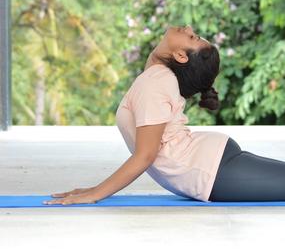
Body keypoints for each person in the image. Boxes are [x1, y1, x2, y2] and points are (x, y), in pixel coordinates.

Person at [43, 25, 285, 205]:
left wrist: (95, 194)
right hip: (214, 165)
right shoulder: (156, 77)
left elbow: (145, 155)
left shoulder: (156, 81)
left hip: (213, 169)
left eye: (192, 37)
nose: (188, 28)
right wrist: (94, 189)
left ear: (181, 55)